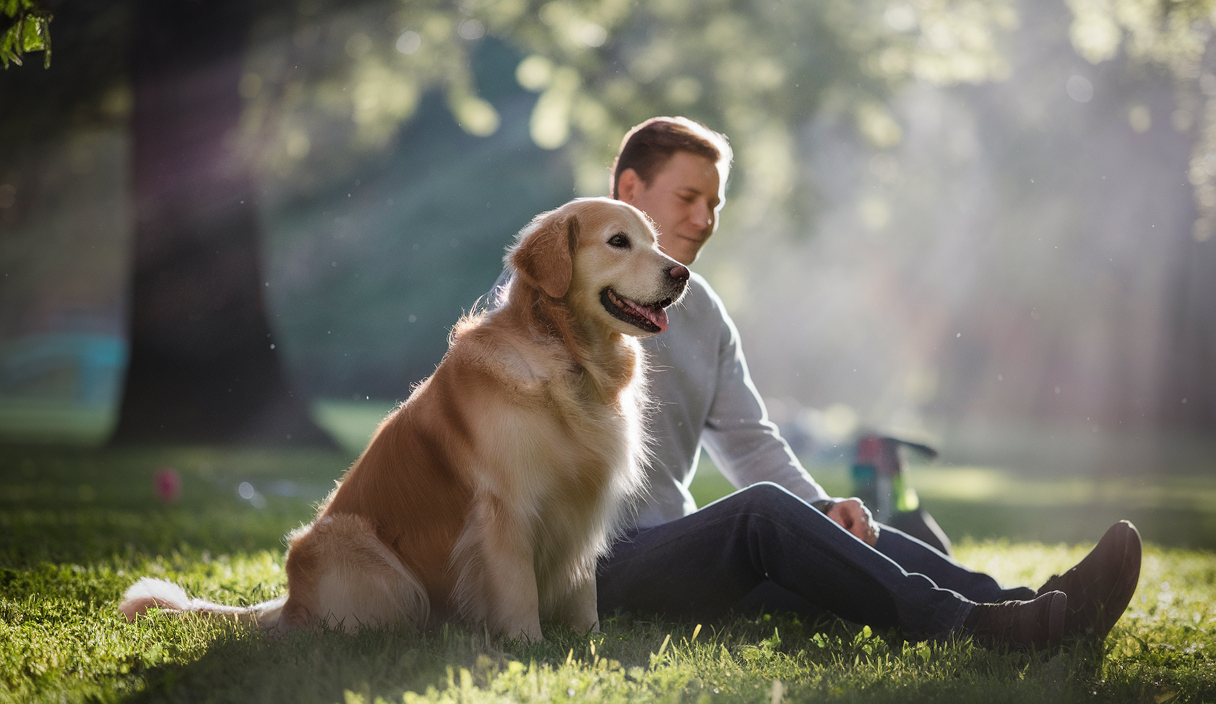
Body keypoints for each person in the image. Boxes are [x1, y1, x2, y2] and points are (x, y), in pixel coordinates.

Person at [491, 117, 1141, 650]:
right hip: (592, 567)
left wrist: (828, 509)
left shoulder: (704, 311)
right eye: (688, 198)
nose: (704, 218)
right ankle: (980, 630)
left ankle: (1041, 609)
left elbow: (750, 441)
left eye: (713, 203)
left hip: (679, 550)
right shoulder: (552, 283)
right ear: (630, 188)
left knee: (838, 534)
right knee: (764, 512)